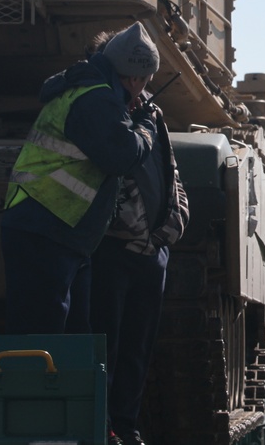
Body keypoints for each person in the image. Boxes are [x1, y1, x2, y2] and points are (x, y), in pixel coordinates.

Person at [0, 22, 159, 335]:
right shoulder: (96, 100)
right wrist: (144, 126)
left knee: (70, 331)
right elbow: (122, 155)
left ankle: (56, 383)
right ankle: (33, 384)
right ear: (137, 77)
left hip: (56, 227)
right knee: (41, 331)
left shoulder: (86, 89)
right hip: (46, 225)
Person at [89, 29, 190, 445]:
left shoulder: (151, 111)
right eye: (136, 76)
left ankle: (125, 426)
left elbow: (168, 174)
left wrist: (172, 224)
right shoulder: (101, 106)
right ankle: (104, 426)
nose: (141, 85)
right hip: (112, 248)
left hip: (151, 251)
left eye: (146, 77)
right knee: (105, 348)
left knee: (136, 350)